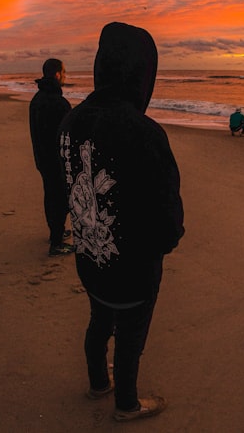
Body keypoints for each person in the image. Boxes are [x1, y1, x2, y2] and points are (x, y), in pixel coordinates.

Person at [58, 22, 184, 422]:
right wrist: (165, 242)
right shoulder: (144, 132)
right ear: (142, 74)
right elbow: (167, 213)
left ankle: (99, 382)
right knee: (131, 335)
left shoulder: (70, 122)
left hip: (89, 259)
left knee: (99, 320)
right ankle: (127, 404)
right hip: (133, 267)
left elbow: (68, 182)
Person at [29, 58, 74, 256]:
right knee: (59, 199)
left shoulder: (37, 99)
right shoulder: (58, 103)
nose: (65, 76)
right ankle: (56, 243)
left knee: (51, 195)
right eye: (64, 72)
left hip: (42, 158)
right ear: (56, 74)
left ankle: (55, 233)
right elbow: (67, 135)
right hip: (56, 160)